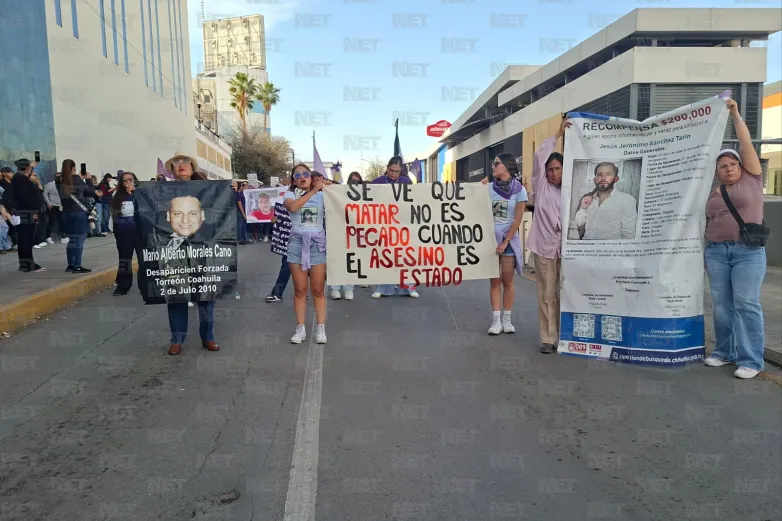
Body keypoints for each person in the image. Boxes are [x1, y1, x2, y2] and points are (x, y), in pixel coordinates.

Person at [703, 98, 767, 379]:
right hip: (716, 251)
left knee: (746, 303)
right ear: (716, 172)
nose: (728, 169)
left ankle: (751, 360)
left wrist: (735, 115)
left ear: (741, 165)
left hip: (747, 252)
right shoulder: (712, 191)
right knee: (722, 305)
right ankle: (723, 352)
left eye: (732, 164)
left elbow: (746, 145)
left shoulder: (752, 178)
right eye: (722, 166)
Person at [161, 152, 220, 356]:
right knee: (176, 293)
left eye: (185, 162)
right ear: (172, 169)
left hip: (201, 247)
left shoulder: (208, 190)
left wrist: (227, 194)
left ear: (193, 168)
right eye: (176, 162)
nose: (181, 165)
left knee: (205, 293)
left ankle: (208, 337)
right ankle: (177, 339)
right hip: (174, 247)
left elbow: (218, 214)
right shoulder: (162, 191)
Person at [527, 118, 571, 352]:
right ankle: (547, 338)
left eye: (557, 169)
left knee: (566, 292)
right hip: (544, 248)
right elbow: (538, 156)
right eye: (550, 170)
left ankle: (566, 336)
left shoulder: (573, 190)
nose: (553, 173)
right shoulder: (542, 186)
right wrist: (558, 134)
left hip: (567, 249)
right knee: (546, 295)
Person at [481, 154, 528, 334]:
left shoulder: (519, 190)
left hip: (508, 239)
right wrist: (477, 187)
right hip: (490, 239)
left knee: (507, 279)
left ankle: (507, 320)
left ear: (507, 166)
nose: (493, 166)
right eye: (493, 163)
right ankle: (495, 321)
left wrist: (506, 241)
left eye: (496, 163)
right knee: (494, 280)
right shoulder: (488, 188)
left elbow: (517, 219)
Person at [284, 163, 327, 344]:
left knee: (317, 289)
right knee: (300, 289)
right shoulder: (289, 195)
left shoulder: (323, 195)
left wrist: (328, 186)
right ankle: (300, 328)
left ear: (311, 177)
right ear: (293, 180)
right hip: (296, 245)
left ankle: (320, 328)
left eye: (306, 174)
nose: (302, 177)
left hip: (317, 246)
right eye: (298, 175)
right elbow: (293, 208)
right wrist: (313, 191)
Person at [370, 157, 419, 299]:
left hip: (403, 224)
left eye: (397, 172)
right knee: (384, 256)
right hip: (382, 224)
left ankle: (409, 287)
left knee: (405, 255)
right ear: (387, 168)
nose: (393, 174)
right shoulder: (376, 182)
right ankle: (382, 287)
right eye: (391, 170)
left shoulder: (406, 182)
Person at [581, 162, 637, 240]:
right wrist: (583, 208)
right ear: (594, 180)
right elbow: (579, 222)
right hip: (585, 248)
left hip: (610, 250)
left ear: (616, 179)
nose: (603, 178)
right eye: (599, 175)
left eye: (608, 174)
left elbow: (628, 236)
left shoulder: (627, 200)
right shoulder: (587, 199)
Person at [330, 171, 363, 300]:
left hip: (354, 233)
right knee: (337, 260)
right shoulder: (340, 193)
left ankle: (349, 289)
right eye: (353, 181)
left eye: (358, 181)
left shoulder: (365, 196)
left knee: (351, 261)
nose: (355, 183)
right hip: (338, 230)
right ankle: (335, 289)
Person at [58, 159, 95, 273]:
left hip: (66, 213)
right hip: (79, 212)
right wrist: (88, 179)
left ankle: (70, 264)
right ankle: (77, 265)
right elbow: (90, 192)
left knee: (72, 240)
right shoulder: (78, 180)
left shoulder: (59, 180)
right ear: (73, 168)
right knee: (79, 239)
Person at [110, 172, 143, 296]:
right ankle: (123, 285)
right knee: (125, 259)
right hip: (124, 232)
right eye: (125, 180)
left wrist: (134, 194)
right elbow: (115, 216)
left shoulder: (140, 194)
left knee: (143, 259)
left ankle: (145, 284)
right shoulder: (118, 196)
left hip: (139, 232)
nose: (128, 182)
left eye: (130, 179)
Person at [10, 158, 46, 272]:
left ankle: (26, 263)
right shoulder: (21, 180)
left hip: (25, 213)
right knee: (26, 239)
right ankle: (27, 265)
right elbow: (26, 198)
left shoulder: (20, 179)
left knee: (26, 239)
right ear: (27, 168)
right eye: (31, 167)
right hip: (26, 213)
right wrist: (34, 212)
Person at [267, 177, 293, 302]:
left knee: (308, 268)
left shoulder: (315, 197)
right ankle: (277, 293)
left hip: (310, 239)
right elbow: (282, 217)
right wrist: (276, 221)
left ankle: (303, 291)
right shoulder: (288, 197)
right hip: (291, 239)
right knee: (286, 266)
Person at [44, 172, 67, 243]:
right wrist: (48, 203)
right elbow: (44, 193)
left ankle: (63, 237)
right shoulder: (51, 184)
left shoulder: (62, 185)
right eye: (58, 176)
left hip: (61, 206)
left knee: (62, 221)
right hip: (53, 206)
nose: (59, 178)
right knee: (52, 222)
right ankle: (48, 237)